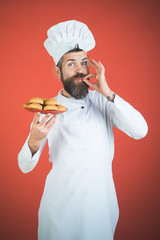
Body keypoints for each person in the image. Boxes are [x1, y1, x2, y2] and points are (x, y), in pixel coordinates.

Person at [18, 20, 148, 240]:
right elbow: (24, 166)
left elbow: (141, 130)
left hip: (100, 211)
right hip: (58, 213)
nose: (80, 70)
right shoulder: (48, 108)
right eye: (71, 64)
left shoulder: (105, 102)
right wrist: (34, 139)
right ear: (57, 70)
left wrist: (108, 92)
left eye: (84, 62)